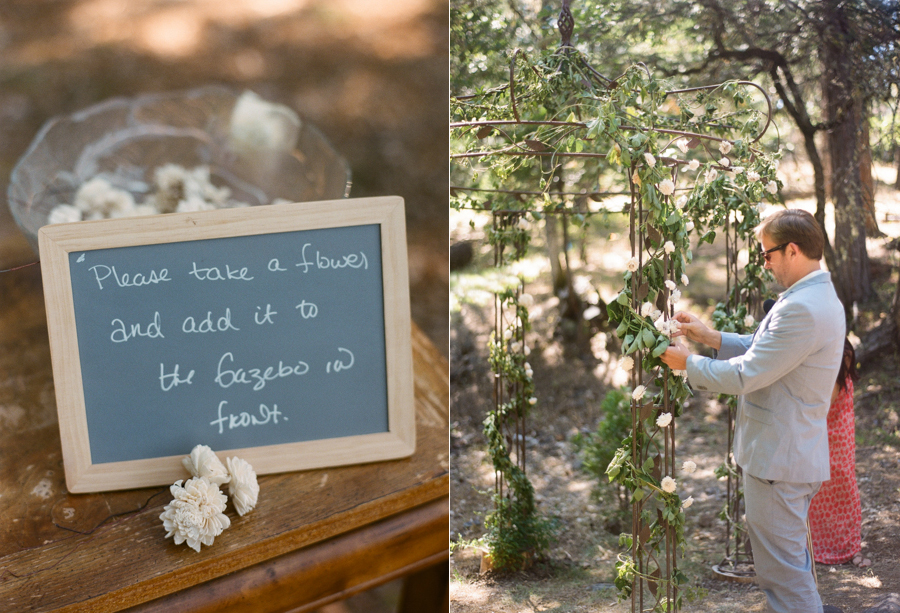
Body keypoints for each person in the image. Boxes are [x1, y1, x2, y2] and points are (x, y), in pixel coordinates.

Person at [660, 208, 846, 613]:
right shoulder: (812, 295)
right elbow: (771, 350)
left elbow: (748, 374)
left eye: (767, 254)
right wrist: (711, 337)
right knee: (790, 567)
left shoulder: (803, 306)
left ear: (792, 250)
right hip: (787, 454)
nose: (764, 263)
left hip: (779, 459)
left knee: (785, 578)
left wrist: (687, 365)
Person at [808, 338, 869, 568]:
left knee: (841, 485)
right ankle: (827, 546)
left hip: (837, 434)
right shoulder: (830, 364)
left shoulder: (839, 360)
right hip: (828, 433)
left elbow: (827, 404)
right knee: (824, 489)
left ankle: (847, 546)